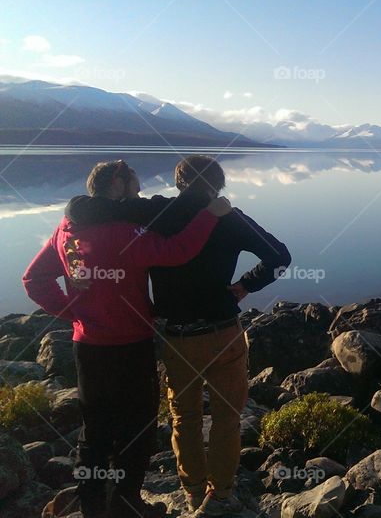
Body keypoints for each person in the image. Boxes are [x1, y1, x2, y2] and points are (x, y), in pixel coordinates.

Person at [65, 155, 291, 517]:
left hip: (176, 337)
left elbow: (86, 208)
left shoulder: (154, 213)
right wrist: (244, 286)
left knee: (183, 417)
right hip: (222, 331)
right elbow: (280, 256)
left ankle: (192, 493)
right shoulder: (228, 216)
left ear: (179, 182)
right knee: (226, 417)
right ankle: (220, 498)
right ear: (217, 184)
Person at [23, 160, 232, 518]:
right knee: (138, 428)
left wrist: (75, 313)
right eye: (135, 178)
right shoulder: (125, 231)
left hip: (87, 346)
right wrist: (210, 214)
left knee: (95, 429)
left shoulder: (66, 229)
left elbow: (33, 279)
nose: (141, 184)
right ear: (118, 183)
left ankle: (92, 504)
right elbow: (177, 251)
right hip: (132, 344)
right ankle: (126, 503)